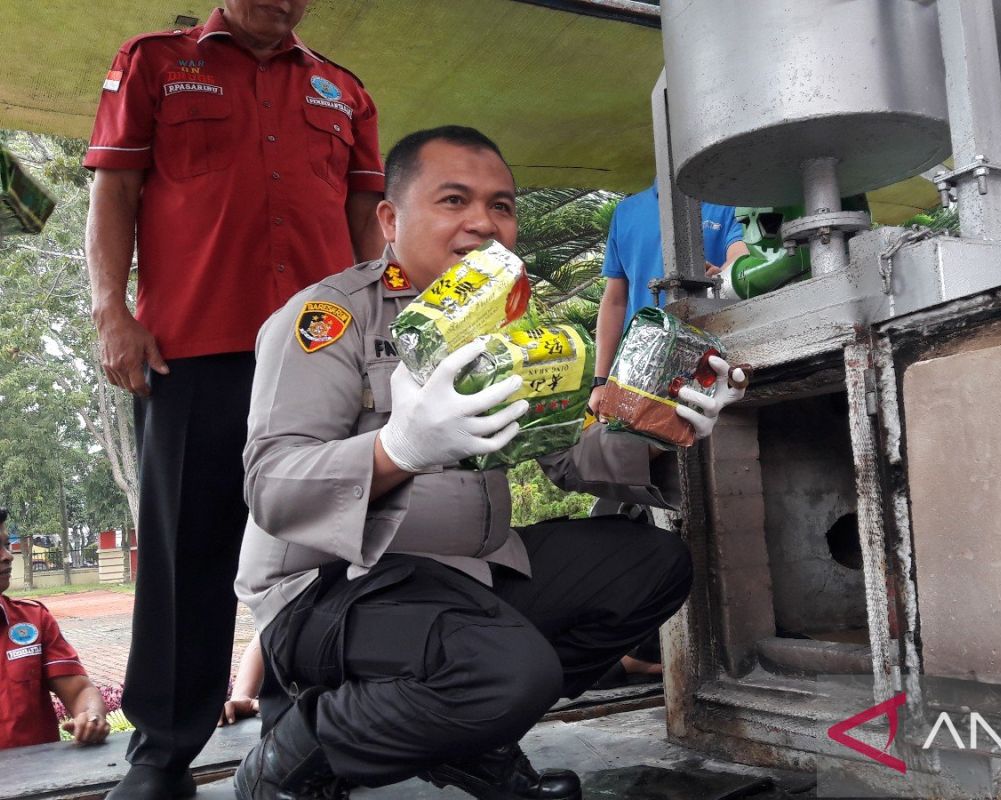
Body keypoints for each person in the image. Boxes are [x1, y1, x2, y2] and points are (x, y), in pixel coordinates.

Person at [232, 126, 747, 799]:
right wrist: (399, 450)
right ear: (391, 218)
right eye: (454, 200)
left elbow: (568, 456)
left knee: (651, 566)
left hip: (464, 574)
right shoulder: (330, 318)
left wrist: (661, 424)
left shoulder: (512, 329)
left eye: (502, 206)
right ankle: (298, 753)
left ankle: (471, 738)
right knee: (509, 671)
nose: (485, 224)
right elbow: (271, 486)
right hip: (330, 589)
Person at [82, 3, 385, 796]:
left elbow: (368, 222)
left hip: (322, 354)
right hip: (192, 347)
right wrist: (112, 312)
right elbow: (114, 191)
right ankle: (161, 754)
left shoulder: (342, 89)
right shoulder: (155, 62)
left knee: (318, 549)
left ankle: (303, 735)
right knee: (186, 550)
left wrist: (389, 340)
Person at [588, 184, 748, 415]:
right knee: (637, 445)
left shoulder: (729, 201)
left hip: (708, 369)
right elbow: (615, 300)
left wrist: (722, 274)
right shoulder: (626, 211)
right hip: (638, 371)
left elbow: (741, 258)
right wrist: (601, 382)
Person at [0, 509, 110, 750]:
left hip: (42, 782)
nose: (7, 556)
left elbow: (80, 691)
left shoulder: (33, 620)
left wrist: (91, 717)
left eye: (6, 544)